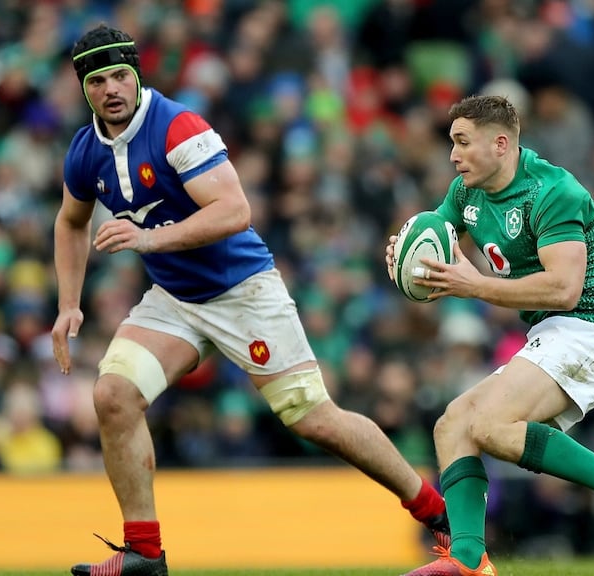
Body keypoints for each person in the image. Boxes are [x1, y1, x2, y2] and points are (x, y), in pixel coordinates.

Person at [52, 24, 449, 576]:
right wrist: (69, 303)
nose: (112, 88)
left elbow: (235, 210)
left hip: (243, 291)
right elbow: (70, 222)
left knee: (314, 419)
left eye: (121, 74)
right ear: (84, 88)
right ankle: (144, 552)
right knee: (113, 395)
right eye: (99, 80)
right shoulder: (84, 151)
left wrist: (147, 239)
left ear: (138, 74)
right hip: (176, 298)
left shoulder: (177, 126)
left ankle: (435, 510)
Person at [384, 94, 594, 576]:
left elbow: (564, 288)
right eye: (450, 143)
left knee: (489, 425)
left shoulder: (555, 191)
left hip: (591, 331)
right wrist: (406, 257)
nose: (452, 155)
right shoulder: (464, 192)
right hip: (550, 333)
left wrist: (475, 285)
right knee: (452, 425)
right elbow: (437, 240)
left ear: (501, 143)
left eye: (462, 142)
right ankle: (469, 560)